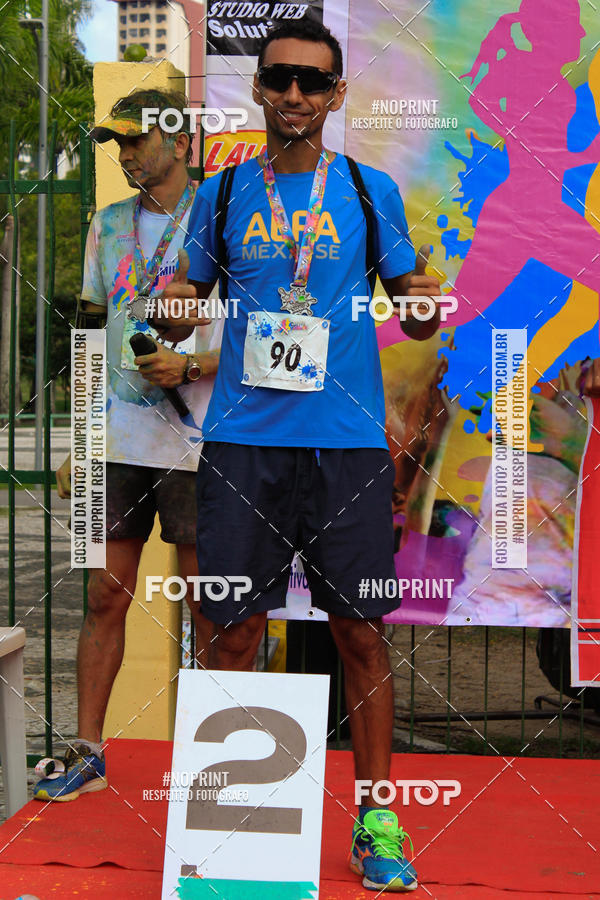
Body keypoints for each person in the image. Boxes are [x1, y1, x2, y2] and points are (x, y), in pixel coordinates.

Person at [160, 20, 442, 893]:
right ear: (257, 88)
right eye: (279, 78)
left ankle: (378, 822)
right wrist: (172, 308)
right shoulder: (221, 193)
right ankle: (230, 828)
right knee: (232, 632)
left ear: (336, 94)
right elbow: (186, 296)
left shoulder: (366, 189)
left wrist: (426, 304)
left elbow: (415, 314)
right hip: (244, 445)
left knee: (360, 635)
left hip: (347, 446)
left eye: (312, 82)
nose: (294, 95)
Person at [34, 89, 220, 802]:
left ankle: (214, 767)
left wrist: (193, 367)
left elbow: (260, 326)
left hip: (203, 438)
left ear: (181, 141)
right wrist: (81, 436)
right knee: (104, 594)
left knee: (211, 605)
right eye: (116, 143)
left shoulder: (223, 213)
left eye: (137, 139)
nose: (125, 154)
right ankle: (87, 752)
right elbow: (88, 331)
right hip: (117, 439)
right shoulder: (108, 222)